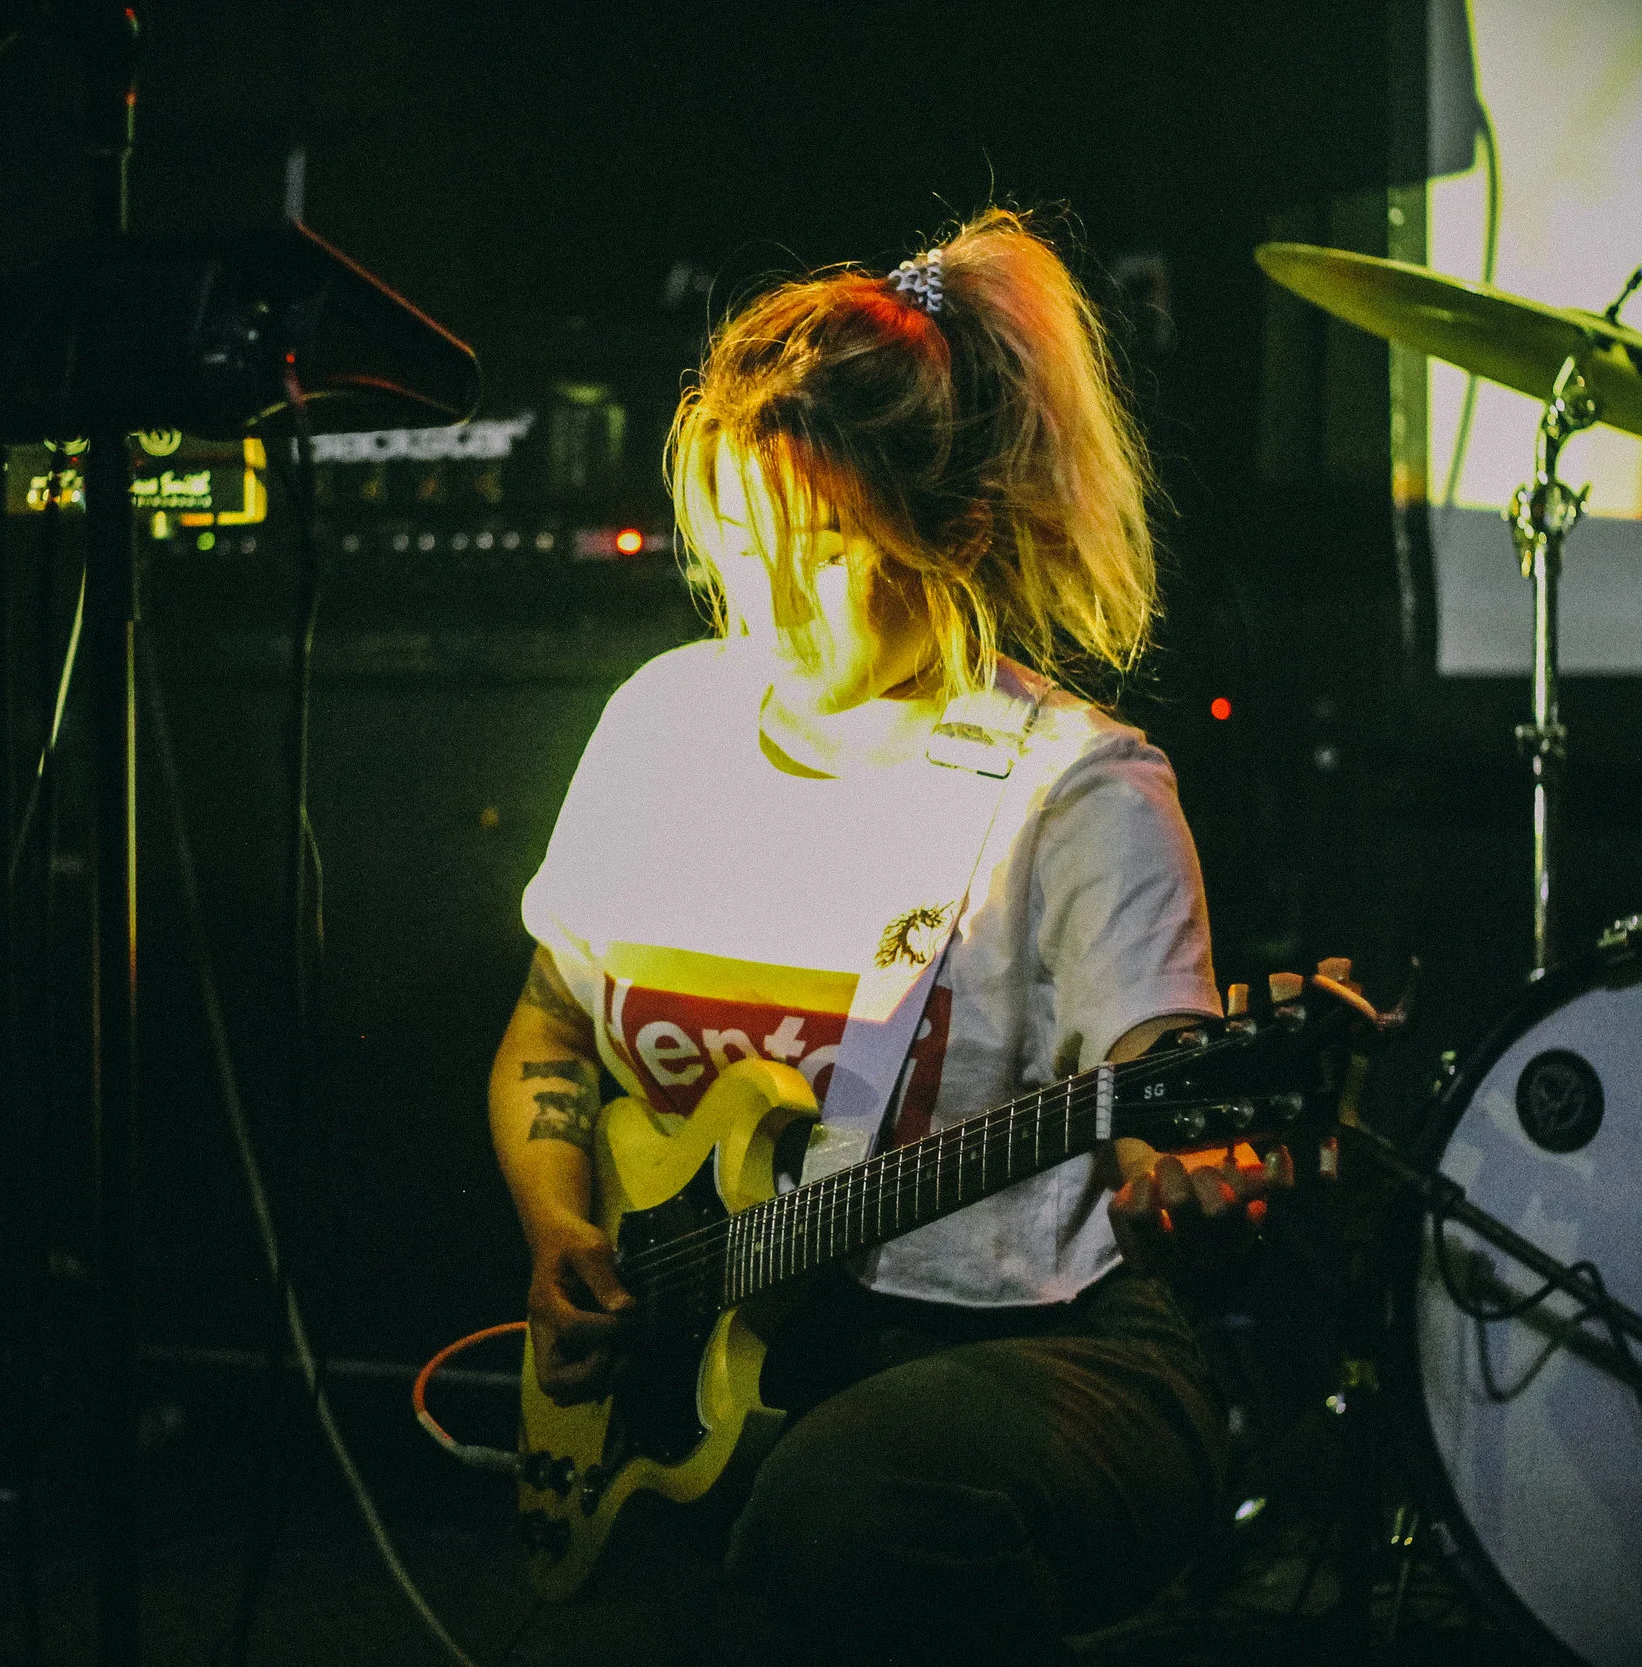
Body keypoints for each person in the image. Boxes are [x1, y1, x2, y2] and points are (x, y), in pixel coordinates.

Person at [487, 208, 1286, 1665]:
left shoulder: (1077, 788)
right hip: (717, 1366)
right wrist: (561, 1235)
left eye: (820, 550)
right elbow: (550, 1024)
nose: (766, 600)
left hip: (1039, 1346)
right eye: (739, 544)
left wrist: (1185, 1173)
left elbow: (1163, 1085)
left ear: (954, 532)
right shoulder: (664, 724)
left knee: (846, 1509)